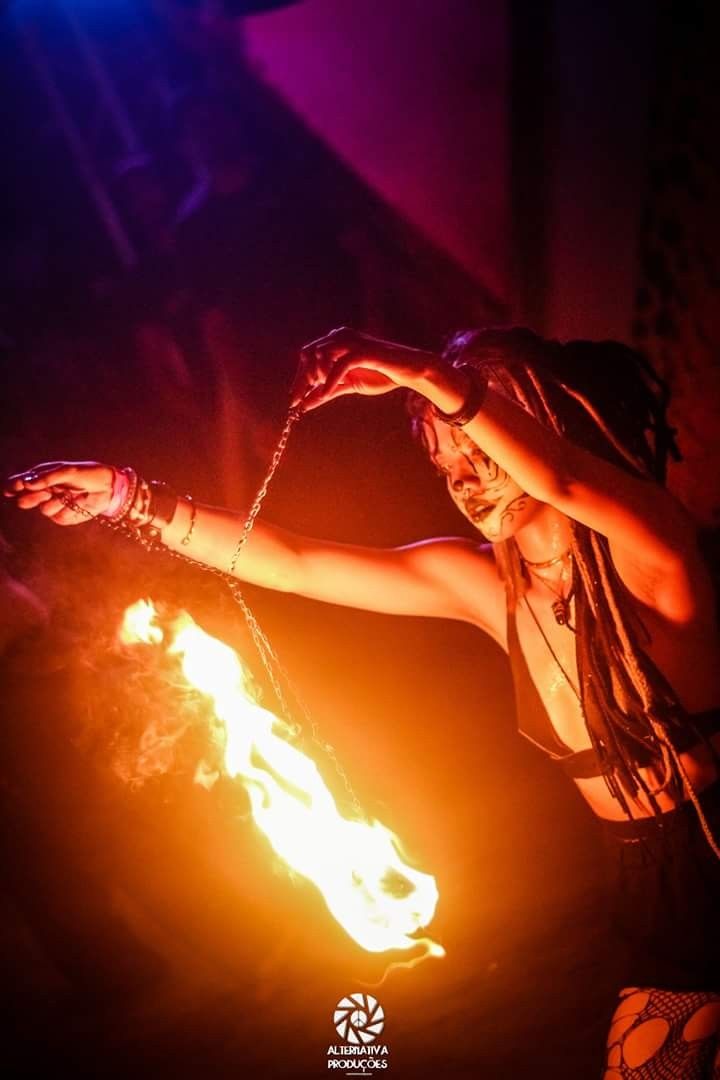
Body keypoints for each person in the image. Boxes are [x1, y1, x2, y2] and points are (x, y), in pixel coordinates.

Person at [5, 325, 720, 1076]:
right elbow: (291, 562)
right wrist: (125, 495)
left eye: (485, 456)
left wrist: (421, 372)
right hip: (650, 897)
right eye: (448, 469)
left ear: (543, 439)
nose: (470, 482)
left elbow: (564, 483)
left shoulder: (653, 557)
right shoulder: (483, 587)